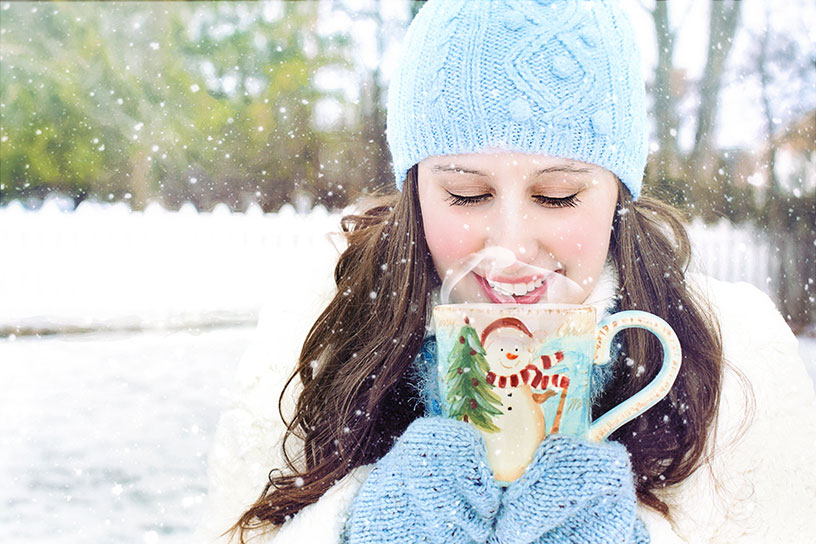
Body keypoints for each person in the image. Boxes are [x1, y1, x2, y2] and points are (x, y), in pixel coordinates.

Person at [201, 1, 816, 542]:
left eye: (557, 197)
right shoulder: (318, 340)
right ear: (414, 194)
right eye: (467, 195)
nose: (512, 247)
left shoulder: (736, 360)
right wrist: (349, 528)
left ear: (617, 197)